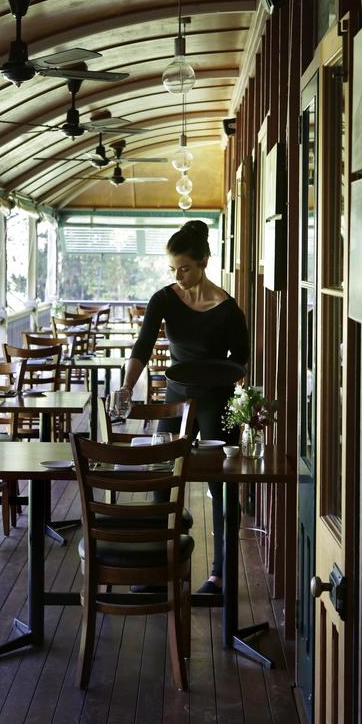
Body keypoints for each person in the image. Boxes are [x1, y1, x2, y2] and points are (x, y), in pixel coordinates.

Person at [118, 219, 249, 593]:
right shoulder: (164, 298)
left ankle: (219, 575)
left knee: (221, 487)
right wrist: (127, 387)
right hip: (174, 399)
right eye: (173, 269)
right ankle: (160, 565)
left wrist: (234, 382)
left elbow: (240, 358)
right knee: (162, 477)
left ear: (204, 261)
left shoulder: (228, 308)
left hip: (216, 401)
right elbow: (141, 348)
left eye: (185, 268)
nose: (178, 276)